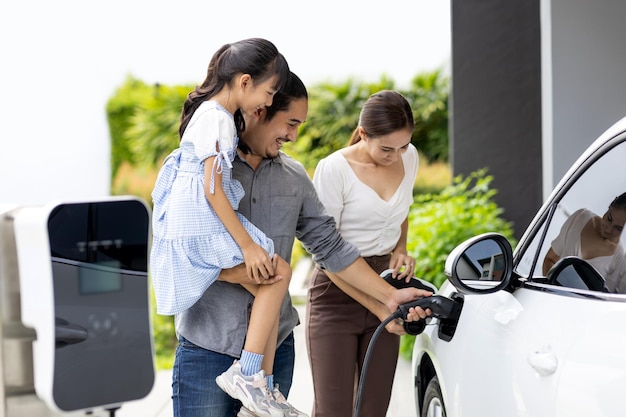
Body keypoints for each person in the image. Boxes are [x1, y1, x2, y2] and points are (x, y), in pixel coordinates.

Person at [171, 73, 432, 417]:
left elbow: (329, 245)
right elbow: (178, 247)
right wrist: (233, 270)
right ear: (261, 111)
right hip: (207, 346)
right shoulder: (206, 171)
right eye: (291, 123)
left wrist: (388, 299)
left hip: (275, 348)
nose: (294, 136)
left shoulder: (295, 177)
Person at [150, 38, 302, 417]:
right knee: (278, 271)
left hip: (191, 224)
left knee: (268, 281)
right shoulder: (218, 117)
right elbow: (213, 188)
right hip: (201, 224)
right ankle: (250, 377)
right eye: (268, 93)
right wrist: (247, 245)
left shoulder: (208, 114)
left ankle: (258, 384)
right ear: (246, 81)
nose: (266, 104)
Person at [306, 90, 420, 417]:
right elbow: (326, 252)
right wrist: (382, 302)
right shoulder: (334, 169)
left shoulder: (409, 157)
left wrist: (401, 248)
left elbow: (402, 207)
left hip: (387, 282)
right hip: (337, 288)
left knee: (374, 408)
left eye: (403, 146)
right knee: (334, 410)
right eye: (387, 148)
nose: (396, 155)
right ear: (364, 132)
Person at [542, 192, 626, 292]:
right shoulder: (580, 218)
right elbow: (550, 260)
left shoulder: (619, 258)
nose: (608, 229)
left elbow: (606, 300)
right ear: (611, 204)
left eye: (618, 228)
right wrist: (551, 291)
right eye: (609, 219)